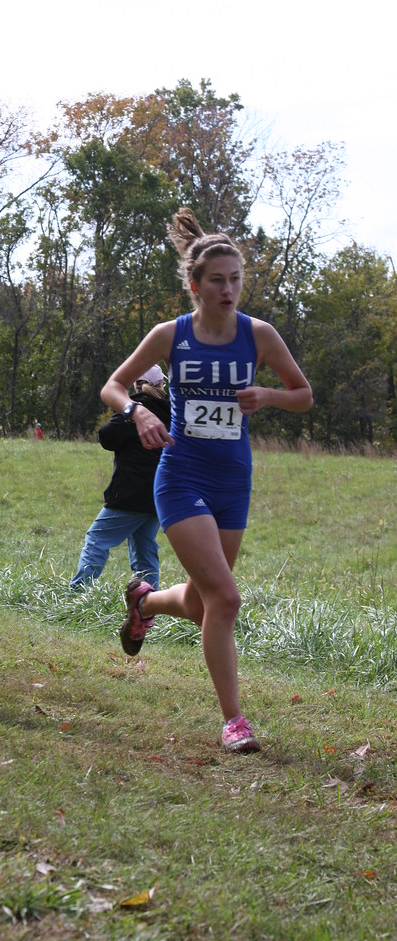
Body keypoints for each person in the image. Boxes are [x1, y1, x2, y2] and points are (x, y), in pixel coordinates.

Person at [100, 208, 313, 753]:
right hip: (181, 477)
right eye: (217, 280)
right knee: (227, 599)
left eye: (236, 279)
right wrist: (138, 413)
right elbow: (114, 386)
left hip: (233, 481)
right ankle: (235, 722)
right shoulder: (171, 336)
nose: (229, 289)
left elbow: (303, 394)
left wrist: (268, 396)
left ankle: (143, 604)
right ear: (195, 285)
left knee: (202, 604)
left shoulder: (258, 336)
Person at [69, 365, 171, 591]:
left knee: (97, 539)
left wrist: (126, 410)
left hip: (129, 493)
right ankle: (147, 604)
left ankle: (77, 594)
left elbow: (106, 436)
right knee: (144, 550)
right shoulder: (172, 412)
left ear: (135, 385)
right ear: (161, 384)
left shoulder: (136, 412)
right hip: (159, 495)